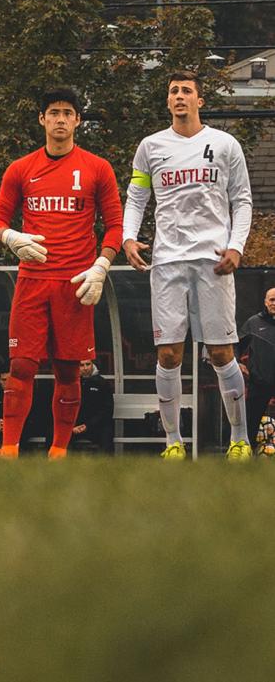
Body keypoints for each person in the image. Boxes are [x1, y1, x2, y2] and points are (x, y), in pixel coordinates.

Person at [121, 71, 255, 460]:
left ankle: (240, 440)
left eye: (186, 91)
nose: (179, 97)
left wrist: (236, 246)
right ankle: (173, 443)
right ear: (168, 101)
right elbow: (136, 196)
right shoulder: (150, 147)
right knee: (168, 355)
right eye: (173, 91)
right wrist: (128, 237)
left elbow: (242, 201)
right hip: (167, 262)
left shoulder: (225, 144)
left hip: (213, 262)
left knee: (220, 354)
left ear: (199, 100)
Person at [0, 87, 123, 459]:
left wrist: (101, 265)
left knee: (68, 371)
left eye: (67, 112)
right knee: (21, 365)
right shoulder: (21, 168)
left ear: (78, 120)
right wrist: (11, 237)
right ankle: (9, 447)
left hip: (76, 284)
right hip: (32, 281)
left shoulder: (98, 168)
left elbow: (115, 227)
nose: (60, 119)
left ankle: (59, 450)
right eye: (53, 112)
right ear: (41, 119)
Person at [238, 286, 275, 441]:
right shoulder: (254, 322)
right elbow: (235, 345)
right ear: (265, 302)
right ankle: (246, 453)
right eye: (272, 299)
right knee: (250, 424)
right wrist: (237, 363)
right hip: (259, 382)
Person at [74, 359, 114, 451]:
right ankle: (58, 464)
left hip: (96, 426)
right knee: (53, 434)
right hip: (75, 426)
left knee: (106, 438)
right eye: (81, 365)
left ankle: (106, 465)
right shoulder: (72, 383)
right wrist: (73, 426)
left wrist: (88, 425)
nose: (85, 368)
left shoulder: (102, 383)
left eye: (88, 364)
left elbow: (107, 410)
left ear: (93, 365)